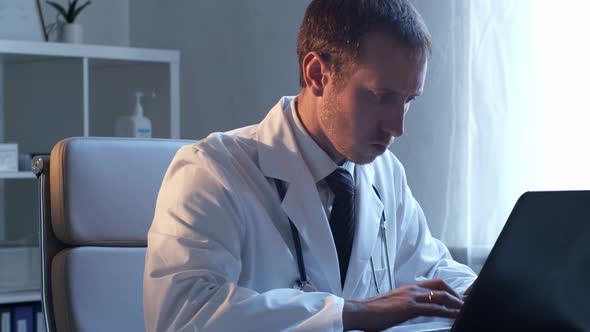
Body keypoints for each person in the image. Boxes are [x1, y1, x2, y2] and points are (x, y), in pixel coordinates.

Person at [144, 0, 476, 331]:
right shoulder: (212, 171)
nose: (396, 127)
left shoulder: (385, 173)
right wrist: (352, 313)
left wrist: (489, 293)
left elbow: (431, 272)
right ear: (317, 74)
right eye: (380, 96)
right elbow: (184, 317)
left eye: (408, 101)